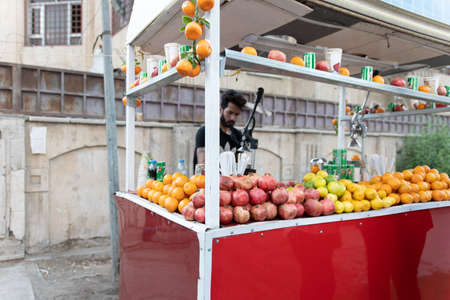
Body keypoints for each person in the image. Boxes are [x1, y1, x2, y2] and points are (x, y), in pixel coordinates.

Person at [193, 89, 246, 170]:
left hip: (230, 182)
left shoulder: (237, 135)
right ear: (220, 109)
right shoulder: (205, 132)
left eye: (236, 114)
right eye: (230, 113)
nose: (233, 118)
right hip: (207, 182)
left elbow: (238, 168)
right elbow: (202, 167)